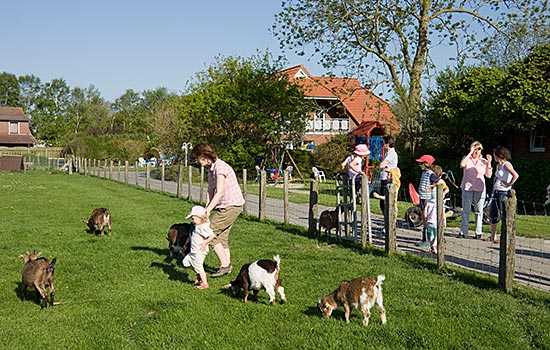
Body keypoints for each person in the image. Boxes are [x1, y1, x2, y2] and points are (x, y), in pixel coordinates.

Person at [191, 143, 245, 278]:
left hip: (232, 205)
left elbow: (220, 192)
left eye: (197, 158)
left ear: (203, 156)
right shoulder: (211, 169)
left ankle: (225, 266)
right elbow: (210, 190)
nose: (197, 161)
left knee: (210, 234)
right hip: (225, 206)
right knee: (222, 237)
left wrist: (209, 210)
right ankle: (227, 267)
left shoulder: (220, 168)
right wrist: (206, 209)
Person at [486, 146, 519, 243]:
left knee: (504, 213)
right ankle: (493, 235)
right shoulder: (498, 166)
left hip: (503, 192)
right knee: (493, 213)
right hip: (496, 191)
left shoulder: (506, 165)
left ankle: (506, 235)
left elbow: (515, 175)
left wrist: (509, 184)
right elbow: (496, 176)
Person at [459, 141, 492, 239]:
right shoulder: (466, 159)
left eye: (479, 149)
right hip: (467, 187)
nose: (477, 151)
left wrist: (489, 162)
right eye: (475, 149)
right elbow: (462, 165)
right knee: (466, 210)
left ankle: (478, 232)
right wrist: (470, 153)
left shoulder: (483, 161)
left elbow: (489, 175)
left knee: (479, 210)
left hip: (480, 188)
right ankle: (463, 232)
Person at [182, 206, 215, 289]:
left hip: (199, 251)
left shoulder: (202, 227)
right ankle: (199, 274)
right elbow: (207, 219)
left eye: (193, 218)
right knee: (185, 262)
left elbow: (212, 236)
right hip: (193, 251)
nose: (192, 220)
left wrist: (205, 243)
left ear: (200, 218)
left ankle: (205, 284)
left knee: (199, 267)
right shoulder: (200, 225)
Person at [415, 154, 438, 246]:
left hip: (426, 198)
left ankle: (428, 239)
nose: (420, 165)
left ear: (427, 164)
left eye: (421, 164)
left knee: (426, 219)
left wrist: (432, 186)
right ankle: (424, 238)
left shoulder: (430, 173)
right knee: (423, 218)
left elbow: (439, 181)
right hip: (422, 197)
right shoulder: (424, 173)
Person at [373, 135, 398, 216]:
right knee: (382, 204)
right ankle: (386, 222)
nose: (383, 145)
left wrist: (381, 164)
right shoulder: (388, 153)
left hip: (387, 179)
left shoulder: (391, 154)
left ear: (388, 144)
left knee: (385, 202)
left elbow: (382, 165)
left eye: (384, 143)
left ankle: (388, 223)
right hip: (384, 178)